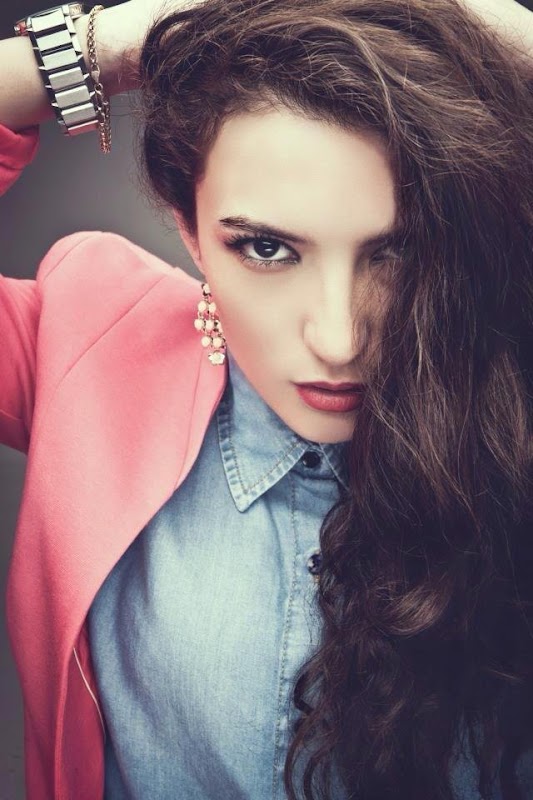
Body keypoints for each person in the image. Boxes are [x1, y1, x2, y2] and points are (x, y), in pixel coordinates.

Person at [1, 0, 532, 798]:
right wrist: (113, 44)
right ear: (187, 225)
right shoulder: (86, 343)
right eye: (266, 247)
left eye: (399, 252)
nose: (338, 339)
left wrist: (460, 19)